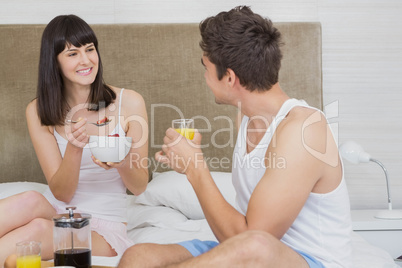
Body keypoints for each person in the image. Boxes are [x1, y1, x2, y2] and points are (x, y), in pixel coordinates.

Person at [118, 6, 352, 268]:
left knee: (255, 246)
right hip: (247, 248)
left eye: (206, 68)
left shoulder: (304, 129)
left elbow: (252, 240)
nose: (205, 78)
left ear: (229, 78)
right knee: (138, 257)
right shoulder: (246, 116)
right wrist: (187, 164)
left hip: (305, 260)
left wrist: (196, 168)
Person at [0, 14, 149, 264]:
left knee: (36, 230)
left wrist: (121, 162)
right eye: (72, 54)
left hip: (103, 226)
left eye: (90, 49)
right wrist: (75, 147)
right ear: (54, 62)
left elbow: (140, 187)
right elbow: (62, 194)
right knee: (30, 199)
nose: (86, 60)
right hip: (58, 209)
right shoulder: (38, 111)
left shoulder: (129, 102)